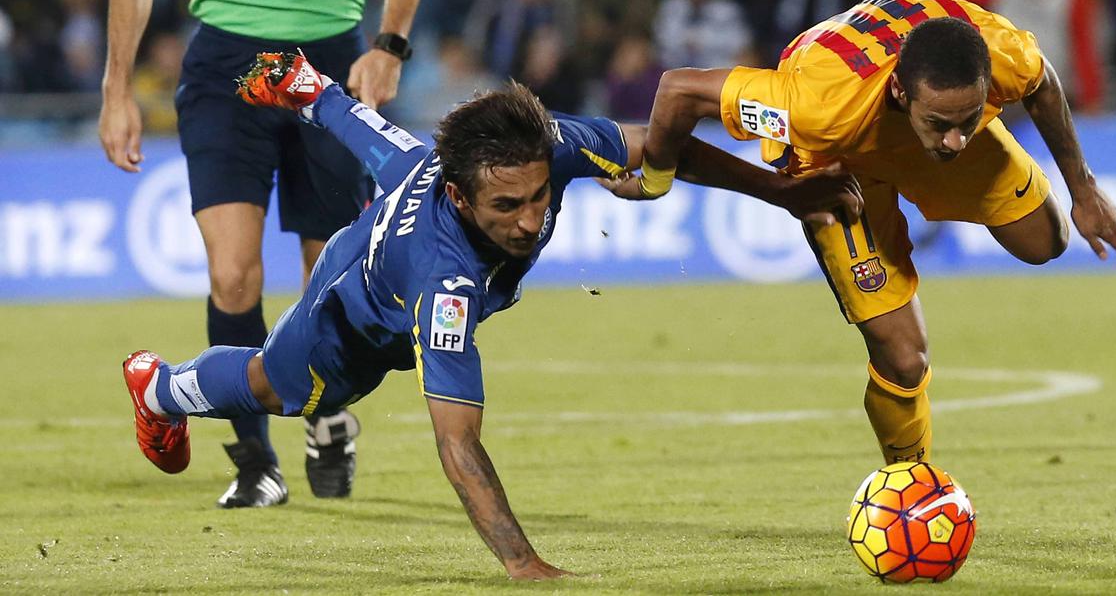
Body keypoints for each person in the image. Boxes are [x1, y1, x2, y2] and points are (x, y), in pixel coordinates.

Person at [120, 51, 861, 580]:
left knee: (390, 149)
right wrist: (523, 564)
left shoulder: (545, 144)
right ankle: (157, 388)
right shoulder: (445, 280)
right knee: (281, 390)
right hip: (352, 315)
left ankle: (163, 384)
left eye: (540, 196)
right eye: (507, 206)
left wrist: (785, 193)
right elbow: (457, 443)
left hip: (400, 189)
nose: (532, 220)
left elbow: (664, 148)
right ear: (460, 197)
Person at [606, 0, 1116, 467]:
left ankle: (951, 125)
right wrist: (658, 175)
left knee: (1044, 240)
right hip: (838, 157)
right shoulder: (814, 109)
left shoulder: (1002, 55)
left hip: (896, 116)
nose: (956, 139)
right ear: (901, 95)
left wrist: (1083, 188)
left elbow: (1043, 82)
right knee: (904, 358)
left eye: (970, 117)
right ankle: (910, 483)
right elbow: (679, 90)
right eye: (940, 122)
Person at [97, 0, 430, 507]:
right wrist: (117, 88)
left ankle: (326, 415)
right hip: (227, 67)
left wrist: (389, 46)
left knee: (327, 276)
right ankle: (254, 464)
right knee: (232, 275)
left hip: (330, 62)